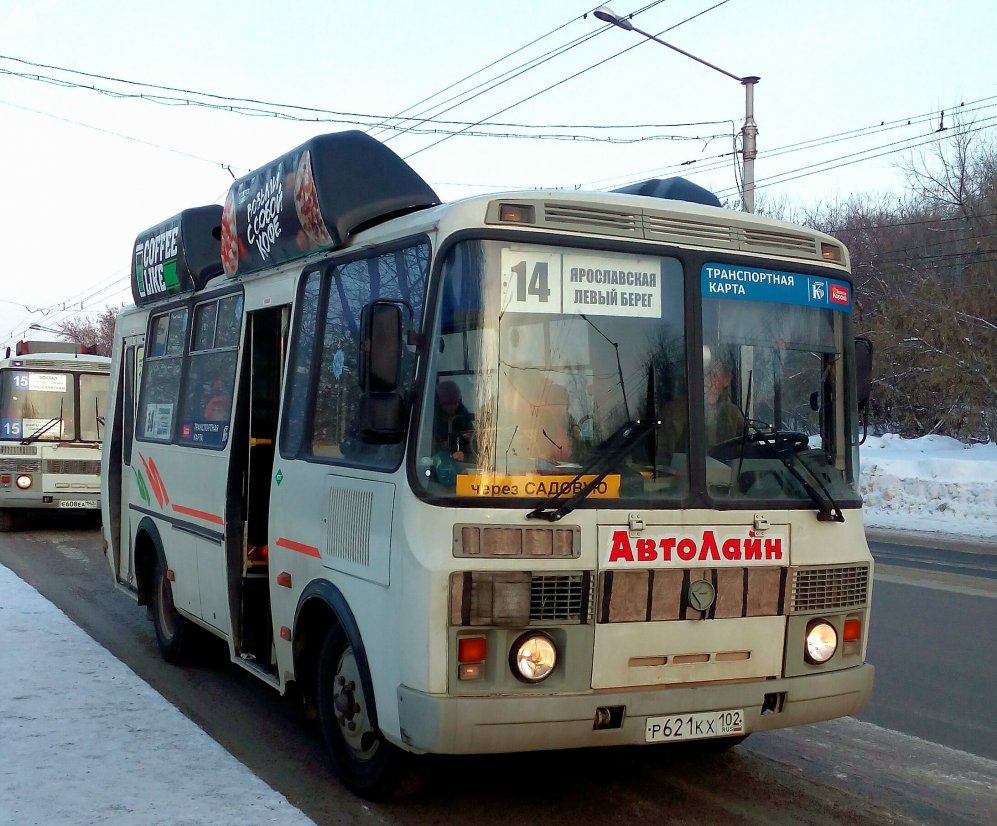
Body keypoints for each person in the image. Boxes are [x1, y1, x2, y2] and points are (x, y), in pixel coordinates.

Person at [657, 360, 744, 457]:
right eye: (703, 375)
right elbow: (662, 456)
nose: (707, 383)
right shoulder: (673, 411)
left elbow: (745, 451)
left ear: (726, 379)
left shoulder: (733, 414)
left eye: (714, 375)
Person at [433, 380, 473, 461]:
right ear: (439, 404)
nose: (452, 407)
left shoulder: (463, 418)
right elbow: (425, 447)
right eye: (447, 404)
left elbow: (473, 445)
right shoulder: (429, 420)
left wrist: (464, 454)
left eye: (455, 403)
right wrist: (441, 445)